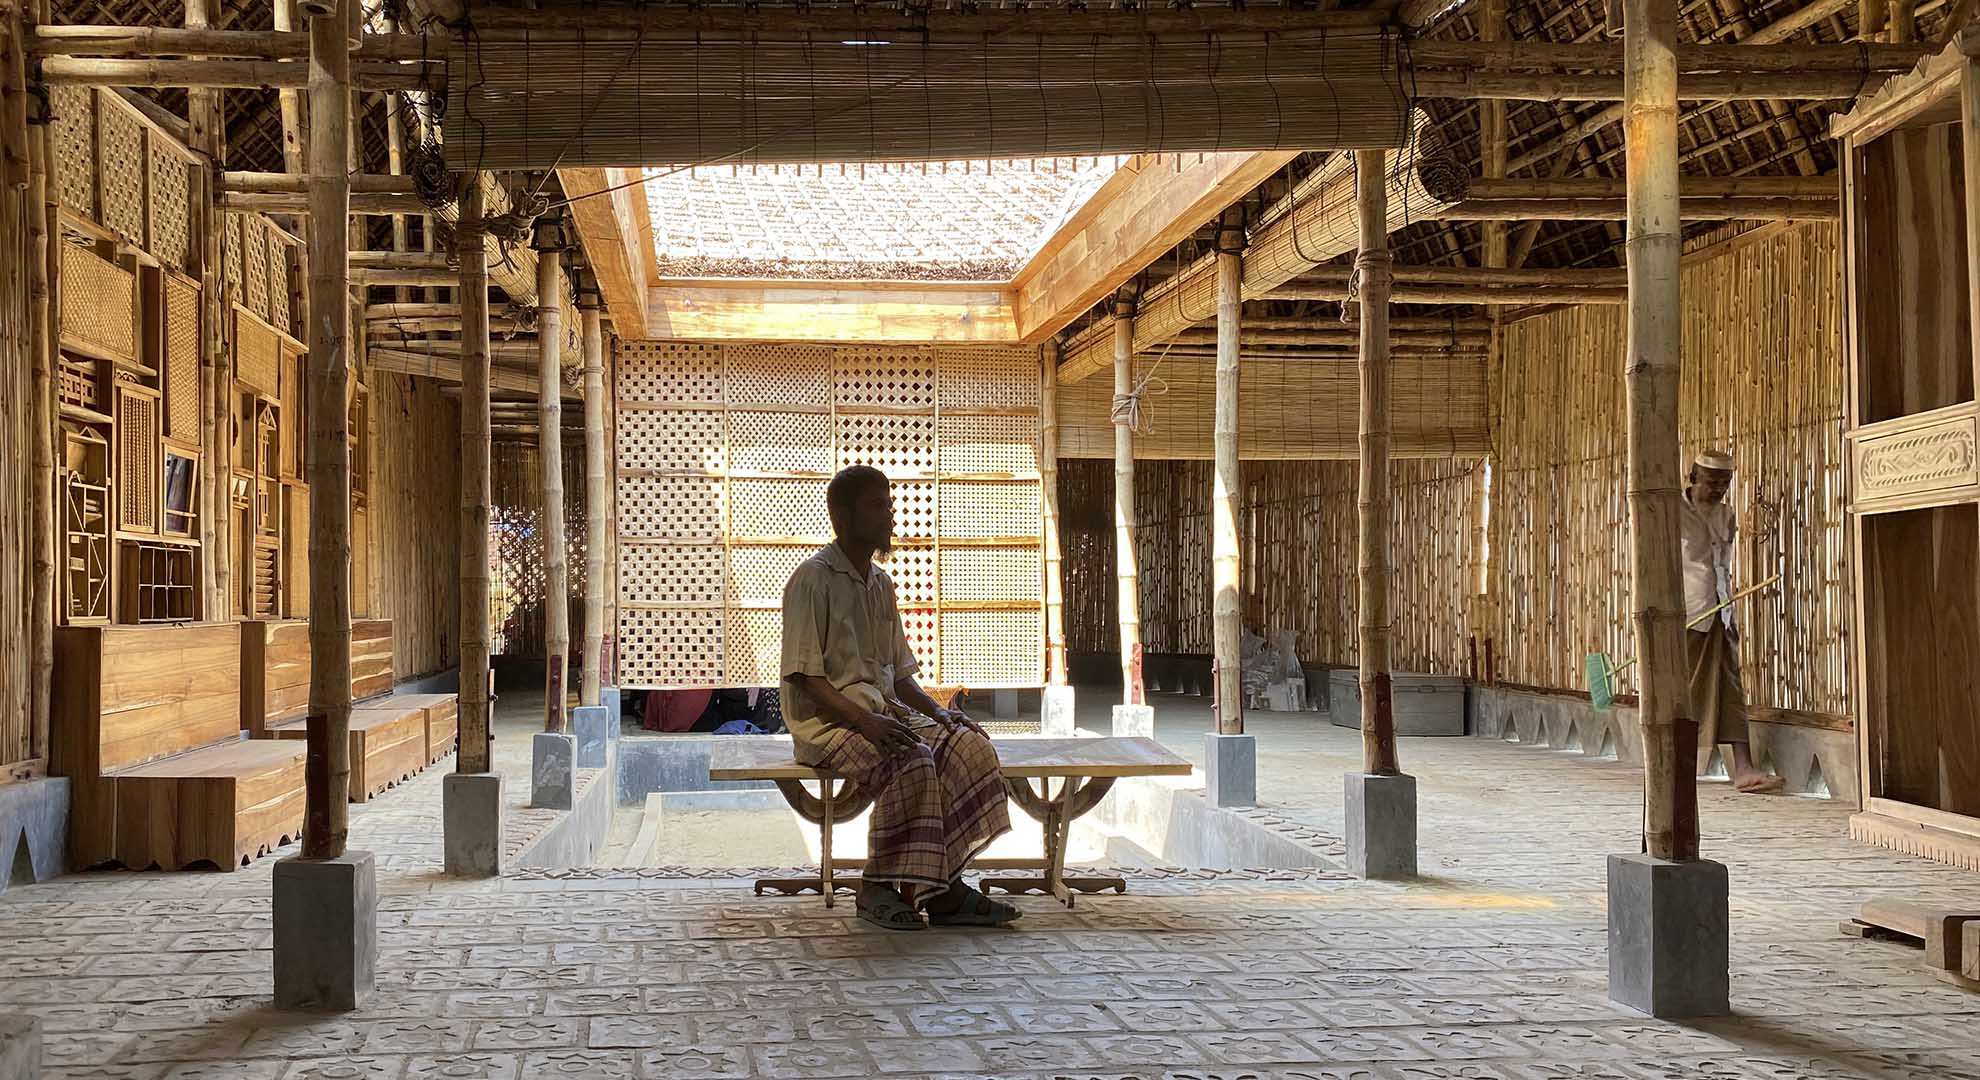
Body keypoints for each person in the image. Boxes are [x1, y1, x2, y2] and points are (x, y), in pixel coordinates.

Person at [780, 465, 1020, 930]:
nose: (890, 515)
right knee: (911, 760)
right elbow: (806, 679)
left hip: (882, 714)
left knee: (970, 746)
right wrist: (866, 723)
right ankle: (877, 887)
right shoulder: (812, 580)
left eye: (888, 504)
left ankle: (942, 886)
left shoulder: (881, 583)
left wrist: (938, 713)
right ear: (843, 516)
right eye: (878, 506)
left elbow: (901, 676)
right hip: (827, 726)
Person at [1680, 449, 1783, 794]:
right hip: (1687, 613)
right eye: (1713, 481)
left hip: (1719, 611)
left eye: (1725, 482)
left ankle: (1744, 769)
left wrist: (1729, 611)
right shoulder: (1671, 513)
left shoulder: (1727, 516)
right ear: (1693, 478)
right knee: (1687, 691)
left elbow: (1722, 566)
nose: (1720, 488)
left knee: (1730, 687)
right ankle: (1674, 766)